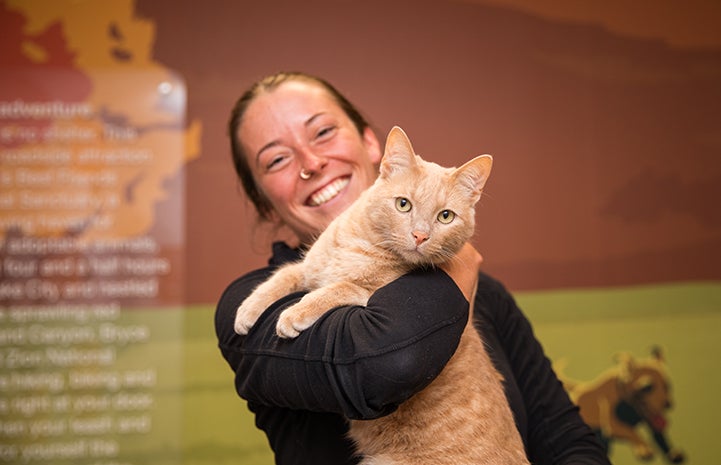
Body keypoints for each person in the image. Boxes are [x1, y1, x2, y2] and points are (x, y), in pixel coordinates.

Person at [215, 71, 611, 465]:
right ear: (263, 200)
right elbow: (388, 363)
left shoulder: (487, 292)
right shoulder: (249, 312)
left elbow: (566, 441)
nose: (312, 163)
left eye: (322, 133)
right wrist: (458, 270)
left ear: (373, 145)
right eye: (278, 159)